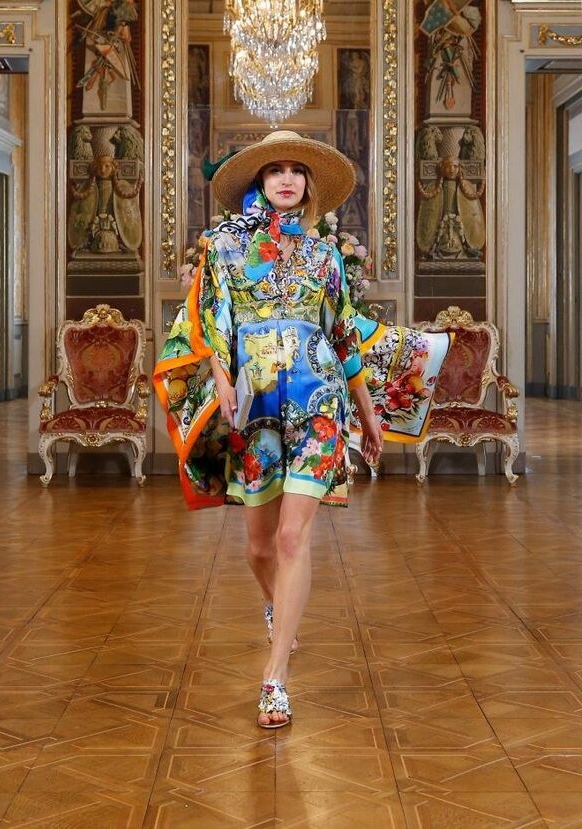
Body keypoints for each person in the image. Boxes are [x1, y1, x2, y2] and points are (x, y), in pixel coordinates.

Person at [154, 131, 453, 729]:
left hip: (319, 402)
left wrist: (368, 412)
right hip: (257, 405)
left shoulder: (325, 256)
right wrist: (223, 379)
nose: (287, 179)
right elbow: (211, 320)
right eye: (275, 170)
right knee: (259, 547)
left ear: (308, 185)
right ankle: (278, 608)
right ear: (260, 182)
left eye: (296, 170)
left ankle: (275, 680)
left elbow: (343, 336)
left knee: (293, 539)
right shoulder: (224, 248)